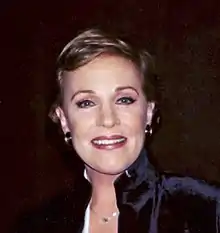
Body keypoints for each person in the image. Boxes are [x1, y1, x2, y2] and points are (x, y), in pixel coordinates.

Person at [14, 28, 220, 233]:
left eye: (124, 100)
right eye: (86, 103)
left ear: (148, 112)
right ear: (64, 120)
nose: (108, 120)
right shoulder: (36, 226)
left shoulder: (207, 210)